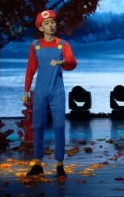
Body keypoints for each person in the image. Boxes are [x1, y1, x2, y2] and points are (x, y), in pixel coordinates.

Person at [23, 9, 78, 177]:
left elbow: (72, 63)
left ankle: (60, 163)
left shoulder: (63, 44)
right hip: (40, 91)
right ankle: (37, 163)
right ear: (41, 28)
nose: (51, 25)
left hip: (57, 92)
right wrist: (26, 90)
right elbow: (31, 69)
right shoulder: (35, 46)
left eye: (52, 22)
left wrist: (62, 62)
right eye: (46, 23)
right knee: (38, 126)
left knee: (59, 126)